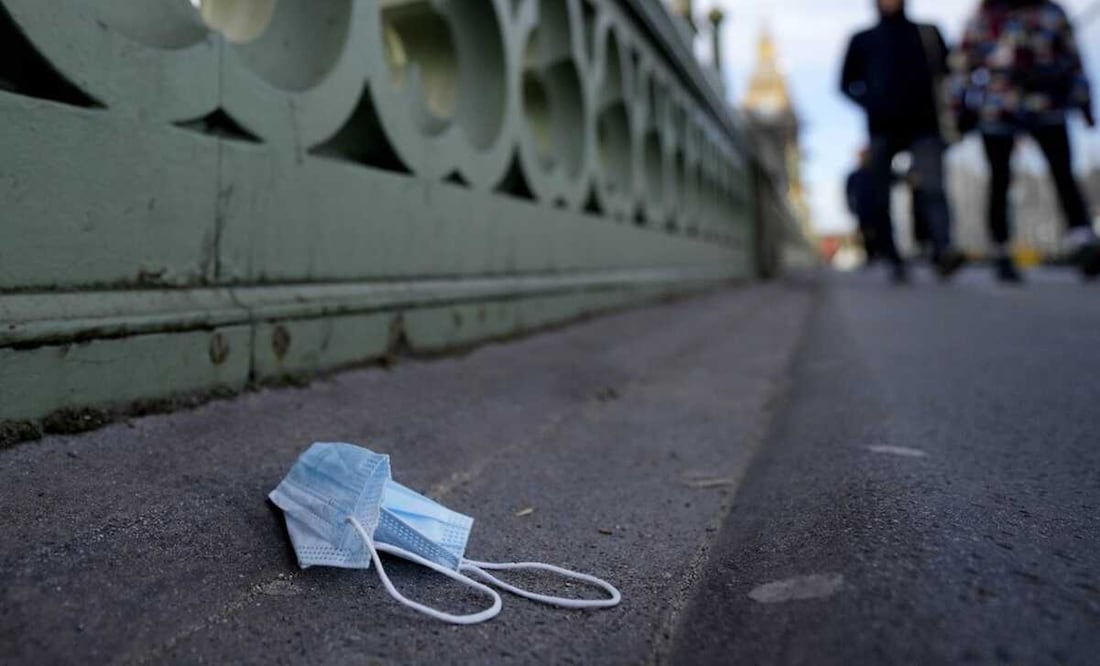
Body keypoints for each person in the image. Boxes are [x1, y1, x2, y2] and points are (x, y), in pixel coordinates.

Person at [951, 0, 1099, 282]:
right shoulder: (984, 16)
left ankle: (1082, 239)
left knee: (1062, 173)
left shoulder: (1051, 13)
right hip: (998, 108)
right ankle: (1001, 248)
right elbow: (962, 63)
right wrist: (961, 107)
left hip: (1046, 105)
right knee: (1000, 178)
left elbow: (1073, 58)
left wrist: (1084, 102)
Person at [841, 0, 968, 283]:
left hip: (925, 127)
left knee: (933, 187)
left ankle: (943, 248)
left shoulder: (928, 33)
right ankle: (893, 256)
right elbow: (844, 84)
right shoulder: (862, 40)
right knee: (880, 195)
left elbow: (950, 75)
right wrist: (872, 104)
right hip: (882, 129)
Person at [846, 149, 879, 265]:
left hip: (876, 208)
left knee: (877, 230)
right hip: (862, 208)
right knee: (865, 231)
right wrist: (850, 206)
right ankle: (870, 255)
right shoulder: (854, 175)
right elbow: (848, 193)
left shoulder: (874, 173)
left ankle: (878, 253)